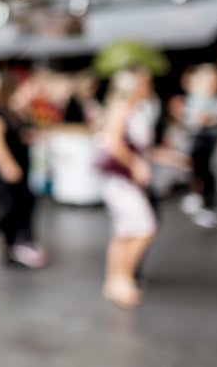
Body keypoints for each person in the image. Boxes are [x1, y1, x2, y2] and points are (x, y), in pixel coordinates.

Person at [96, 67, 158, 309]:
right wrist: (136, 165)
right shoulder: (121, 110)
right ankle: (123, 277)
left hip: (123, 181)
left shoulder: (135, 111)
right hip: (120, 181)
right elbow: (114, 145)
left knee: (123, 231)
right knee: (145, 228)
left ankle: (115, 281)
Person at [0, 70, 48, 268]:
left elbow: (18, 134)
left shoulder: (13, 112)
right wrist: (8, 166)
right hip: (8, 170)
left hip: (21, 167)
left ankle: (14, 247)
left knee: (24, 204)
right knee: (8, 208)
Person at [184, 64, 217, 228]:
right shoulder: (197, 97)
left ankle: (210, 206)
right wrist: (211, 118)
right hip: (199, 138)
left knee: (211, 173)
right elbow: (196, 119)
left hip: (214, 140)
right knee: (199, 170)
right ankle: (200, 199)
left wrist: (210, 119)